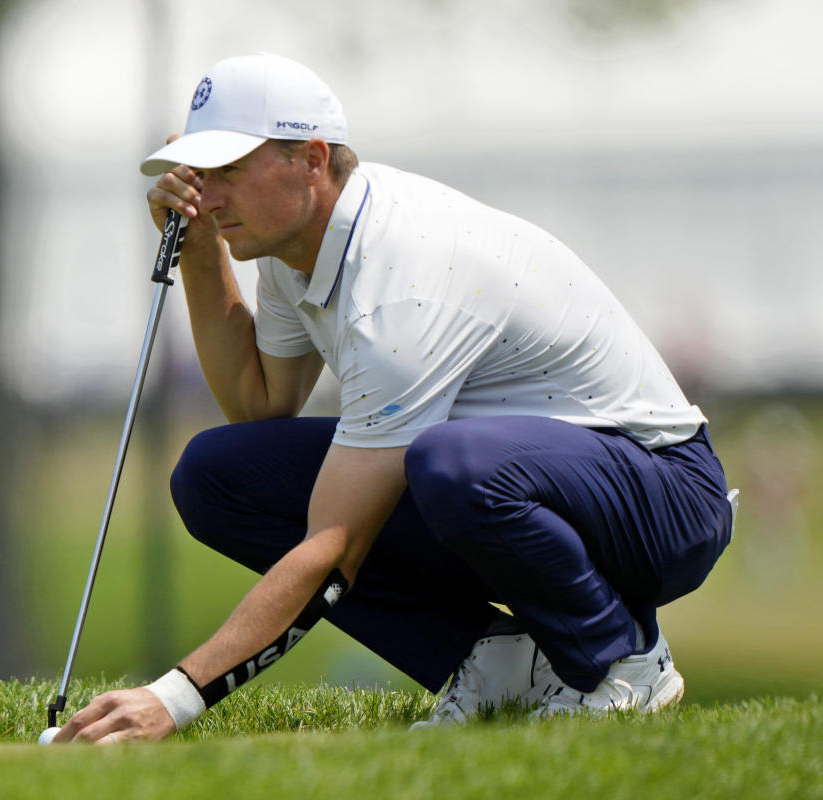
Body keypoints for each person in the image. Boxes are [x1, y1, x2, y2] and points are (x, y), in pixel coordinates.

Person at [50, 53, 737, 744]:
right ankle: (499, 660)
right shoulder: (298, 248)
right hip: (549, 479)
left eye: (230, 170)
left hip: (667, 497)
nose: (209, 194)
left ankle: (620, 658)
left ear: (311, 159)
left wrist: (174, 698)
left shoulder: (402, 279)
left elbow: (334, 547)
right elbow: (262, 406)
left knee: (451, 463)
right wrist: (202, 254)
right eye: (202, 174)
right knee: (217, 477)